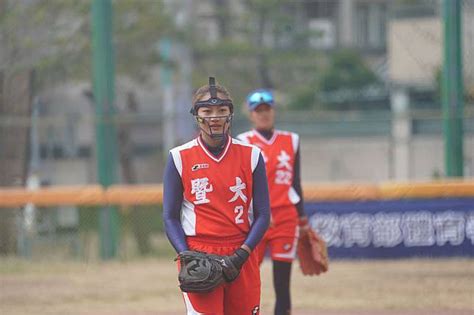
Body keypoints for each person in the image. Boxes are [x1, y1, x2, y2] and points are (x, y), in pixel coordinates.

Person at [163, 77, 270, 315]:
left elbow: (263, 214)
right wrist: (186, 255)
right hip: (199, 252)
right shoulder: (179, 157)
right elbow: (170, 216)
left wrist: (242, 253)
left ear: (230, 114)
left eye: (221, 110)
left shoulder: (252, 155)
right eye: (207, 110)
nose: (215, 116)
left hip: (241, 250)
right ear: (197, 115)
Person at [237, 88, 309, 315]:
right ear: (251, 115)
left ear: (273, 111)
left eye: (267, 109)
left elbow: (295, 182)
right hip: (256, 219)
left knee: (282, 282)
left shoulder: (291, 140)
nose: (263, 114)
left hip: (286, 216)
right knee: (246, 279)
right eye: (258, 110)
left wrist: (302, 217)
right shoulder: (243, 142)